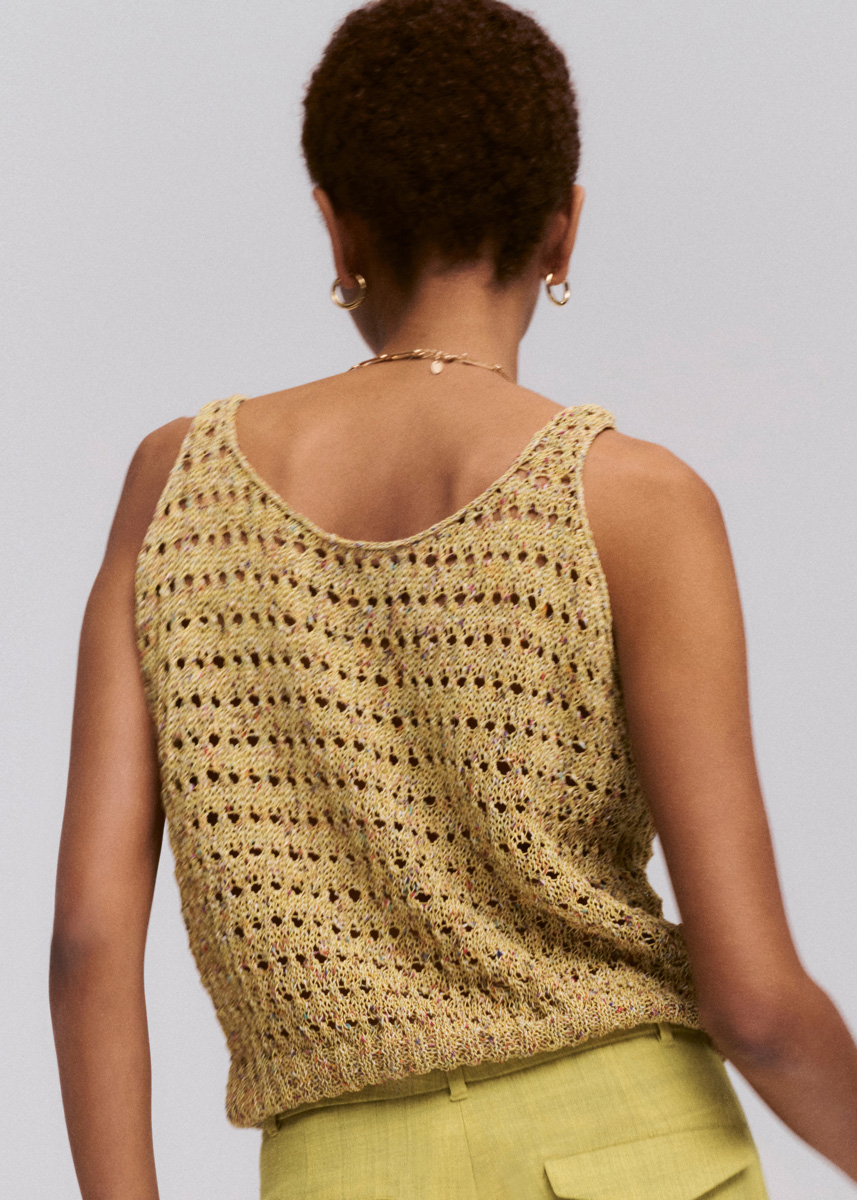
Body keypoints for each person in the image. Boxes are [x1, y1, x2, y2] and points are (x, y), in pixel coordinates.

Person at [49, 0, 857, 1197]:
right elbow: (757, 1006)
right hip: (639, 1155)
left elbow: (86, 943)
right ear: (562, 232)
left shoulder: (175, 486)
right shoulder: (634, 503)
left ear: (336, 227)